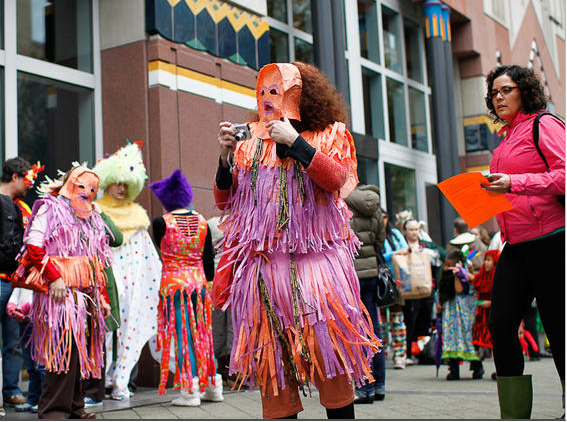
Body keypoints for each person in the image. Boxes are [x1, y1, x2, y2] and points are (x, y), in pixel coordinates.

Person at [214, 62, 380, 419]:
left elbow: (338, 180)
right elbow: (226, 202)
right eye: (262, 90)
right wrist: (225, 160)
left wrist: (296, 143)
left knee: (329, 360)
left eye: (277, 90)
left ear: (301, 94)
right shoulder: (251, 142)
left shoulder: (330, 133)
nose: (268, 98)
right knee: (273, 368)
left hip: (317, 271)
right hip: (265, 274)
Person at [483, 65, 565, 419]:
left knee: (559, 328)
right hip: (515, 244)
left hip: (552, 239)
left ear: (524, 90)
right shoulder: (505, 138)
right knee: (500, 325)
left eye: (506, 90)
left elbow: (563, 175)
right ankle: (515, 414)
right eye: (494, 93)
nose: (498, 97)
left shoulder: (543, 124)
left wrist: (515, 184)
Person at [14, 165, 112, 419]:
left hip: (84, 295)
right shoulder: (50, 207)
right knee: (63, 350)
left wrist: (101, 297)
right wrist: (54, 278)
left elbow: (96, 260)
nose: (86, 192)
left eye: (92, 188)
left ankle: (74, 407)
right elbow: (33, 246)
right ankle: (53, 411)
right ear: (69, 183)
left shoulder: (91, 217)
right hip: (58, 294)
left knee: (79, 352)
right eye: (81, 185)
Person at [93, 142, 162, 401]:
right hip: (106, 284)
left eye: (125, 184)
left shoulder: (138, 216)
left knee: (131, 326)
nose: (121, 188)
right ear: (109, 182)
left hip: (133, 286)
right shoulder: (97, 212)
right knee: (105, 331)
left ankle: (126, 379)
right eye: (116, 182)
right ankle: (102, 381)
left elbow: (148, 257)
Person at [151, 169, 222, 407]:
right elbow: (208, 259)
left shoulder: (161, 223)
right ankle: (212, 387)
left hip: (174, 287)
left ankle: (190, 390)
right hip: (200, 285)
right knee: (203, 334)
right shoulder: (203, 222)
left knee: (183, 336)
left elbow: (160, 251)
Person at [345, 184, 386, 404]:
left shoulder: (343, 203)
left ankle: (364, 388)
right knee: (374, 329)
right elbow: (380, 242)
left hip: (352, 275)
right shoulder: (375, 206)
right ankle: (379, 386)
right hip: (371, 273)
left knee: (357, 330)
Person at [0, 157, 33, 410]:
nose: (29, 185)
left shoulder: (19, 207)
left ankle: (11, 390)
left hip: (13, 283)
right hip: (4, 281)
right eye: (27, 179)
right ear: (14, 177)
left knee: (14, 342)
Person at [398, 219, 445, 366]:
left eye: (416, 229)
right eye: (411, 229)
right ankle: (409, 352)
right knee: (410, 320)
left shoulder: (427, 246)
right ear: (405, 231)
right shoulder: (402, 246)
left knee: (425, 321)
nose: (414, 232)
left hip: (426, 289)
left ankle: (424, 352)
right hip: (409, 291)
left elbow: (442, 255)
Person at [436, 251, 481, 380]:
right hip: (450, 315)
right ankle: (453, 369)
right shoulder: (444, 278)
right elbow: (440, 294)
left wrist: (457, 274)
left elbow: (460, 290)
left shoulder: (464, 275)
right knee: (451, 341)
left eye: (449, 266)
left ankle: (477, 367)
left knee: (466, 339)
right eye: (446, 265)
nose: (446, 269)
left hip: (463, 314)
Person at [208, 216, 235, 388]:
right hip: (224, 280)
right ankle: (226, 372)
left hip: (225, 280)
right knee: (228, 326)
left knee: (226, 327)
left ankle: (225, 372)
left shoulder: (211, 223)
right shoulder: (211, 223)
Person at [382, 210, 409, 370]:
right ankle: (383, 353)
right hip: (382, 282)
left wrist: (395, 254)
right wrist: (392, 254)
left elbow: (405, 250)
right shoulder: (376, 234)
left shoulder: (395, 233)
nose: (382, 221)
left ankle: (400, 355)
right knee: (380, 322)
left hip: (396, 281)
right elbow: (378, 255)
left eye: (385, 217)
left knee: (397, 319)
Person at [471, 250, 501, 378]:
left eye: (489, 260)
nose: (486, 263)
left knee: (496, 344)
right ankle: (477, 368)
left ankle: (500, 370)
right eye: (485, 260)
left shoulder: (499, 276)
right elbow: (474, 280)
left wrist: (490, 303)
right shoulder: (482, 274)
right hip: (481, 315)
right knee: (477, 342)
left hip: (494, 313)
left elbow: (502, 296)